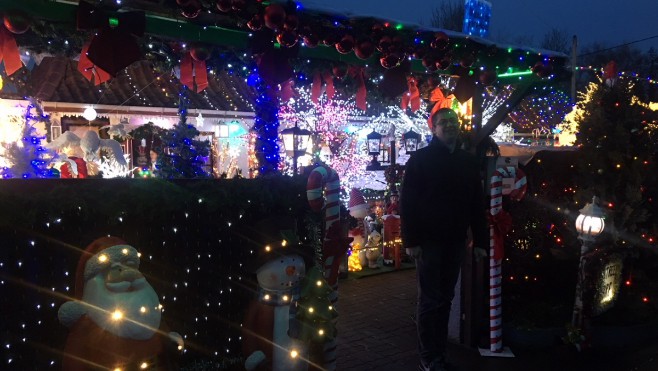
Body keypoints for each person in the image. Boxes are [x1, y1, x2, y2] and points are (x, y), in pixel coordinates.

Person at [400, 108, 488, 371]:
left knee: (445, 298)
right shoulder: (420, 160)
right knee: (430, 300)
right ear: (433, 128)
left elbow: (476, 203)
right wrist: (411, 241)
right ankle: (429, 356)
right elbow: (408, 203)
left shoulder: (467, 161)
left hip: (455, 240)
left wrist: (481, 241)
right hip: (428, 241)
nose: (449, 125)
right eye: (443, 122)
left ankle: (439, 353)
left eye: (453, 121)